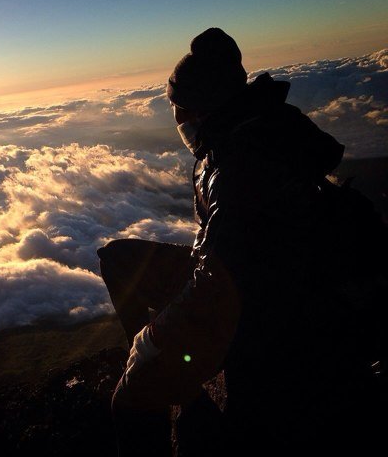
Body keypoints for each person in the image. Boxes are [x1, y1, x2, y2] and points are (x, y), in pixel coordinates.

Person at [99, 28, 384, 456]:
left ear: (204, 107)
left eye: (181, 110)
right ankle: (181, 382)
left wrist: (154, 341)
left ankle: (179, 394)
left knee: (129, 401)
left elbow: (219, 277)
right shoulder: (257, 130)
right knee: (119, 258)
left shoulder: (236, 167)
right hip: (271, 282)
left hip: (259, 308)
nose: (180, 122)